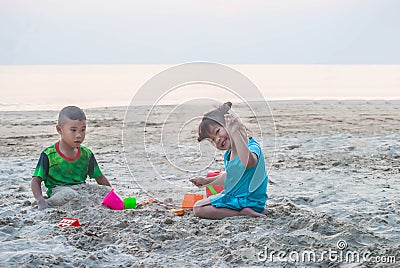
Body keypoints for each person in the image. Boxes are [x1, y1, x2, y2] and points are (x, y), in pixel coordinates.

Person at [190, 102, 268, 219]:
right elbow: (231, 176)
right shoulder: (229, 154)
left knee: (198, 208)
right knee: (202, 203)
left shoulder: (251, 146)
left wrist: (235, 133)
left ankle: (242, 213)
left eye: (217, 132)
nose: (217, 139)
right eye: (212, 140)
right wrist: (206, 181)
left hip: (247, 200)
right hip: (240, 198)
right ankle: (248, 210)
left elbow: (250, 162)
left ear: (228, 124)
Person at [31, 106, 112, 210]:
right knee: (69, 194)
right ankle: (49, 202)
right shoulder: (48, 155)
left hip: (82, 189)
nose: (79, 135)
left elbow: (100, 178)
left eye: (82, 130)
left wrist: (113, 195)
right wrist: (40, 200)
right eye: (73, 130)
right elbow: (35, 180)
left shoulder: (87, 154)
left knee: (105, 191)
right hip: (59, 191)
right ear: (59, 130)